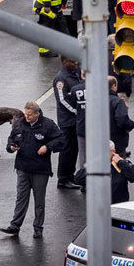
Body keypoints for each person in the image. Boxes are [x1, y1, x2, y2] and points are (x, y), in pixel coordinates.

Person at [2, 101, 64, 239]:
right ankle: (15, 225)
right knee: (21, 198)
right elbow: (11, 139)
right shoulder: (19, 123)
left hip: (40, 169)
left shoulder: (48, 124)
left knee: (39, 200)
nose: (27, 117)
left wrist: (48, 147)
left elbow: (61, 139)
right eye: (25, 114)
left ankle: (38, 228)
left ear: (37, 113)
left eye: (30, 115)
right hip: (23, 167)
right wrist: (11, 147)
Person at [52, 58, 83, 188]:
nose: (75, 63)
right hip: (67, 121)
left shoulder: (75, 74)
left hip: (75, 120)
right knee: (67, 150)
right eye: (72, 61)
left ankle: (71, 176)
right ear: (64, 62)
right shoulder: (61, 79)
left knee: (74, 149)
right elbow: (63, 100)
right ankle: (63, 179)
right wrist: (77, 112)